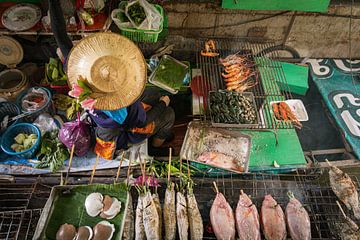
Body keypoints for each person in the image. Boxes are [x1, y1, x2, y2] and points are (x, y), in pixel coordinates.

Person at [49, 0, 175, 159]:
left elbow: (60, 34)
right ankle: (156, 147)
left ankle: (159, 129)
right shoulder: (123, 103)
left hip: (101, 121)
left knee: (152, 94)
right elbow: (140, 123)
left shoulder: (81, 73)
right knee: (168, 114)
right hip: (116, 136)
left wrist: (53, 4)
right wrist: (163, 103)